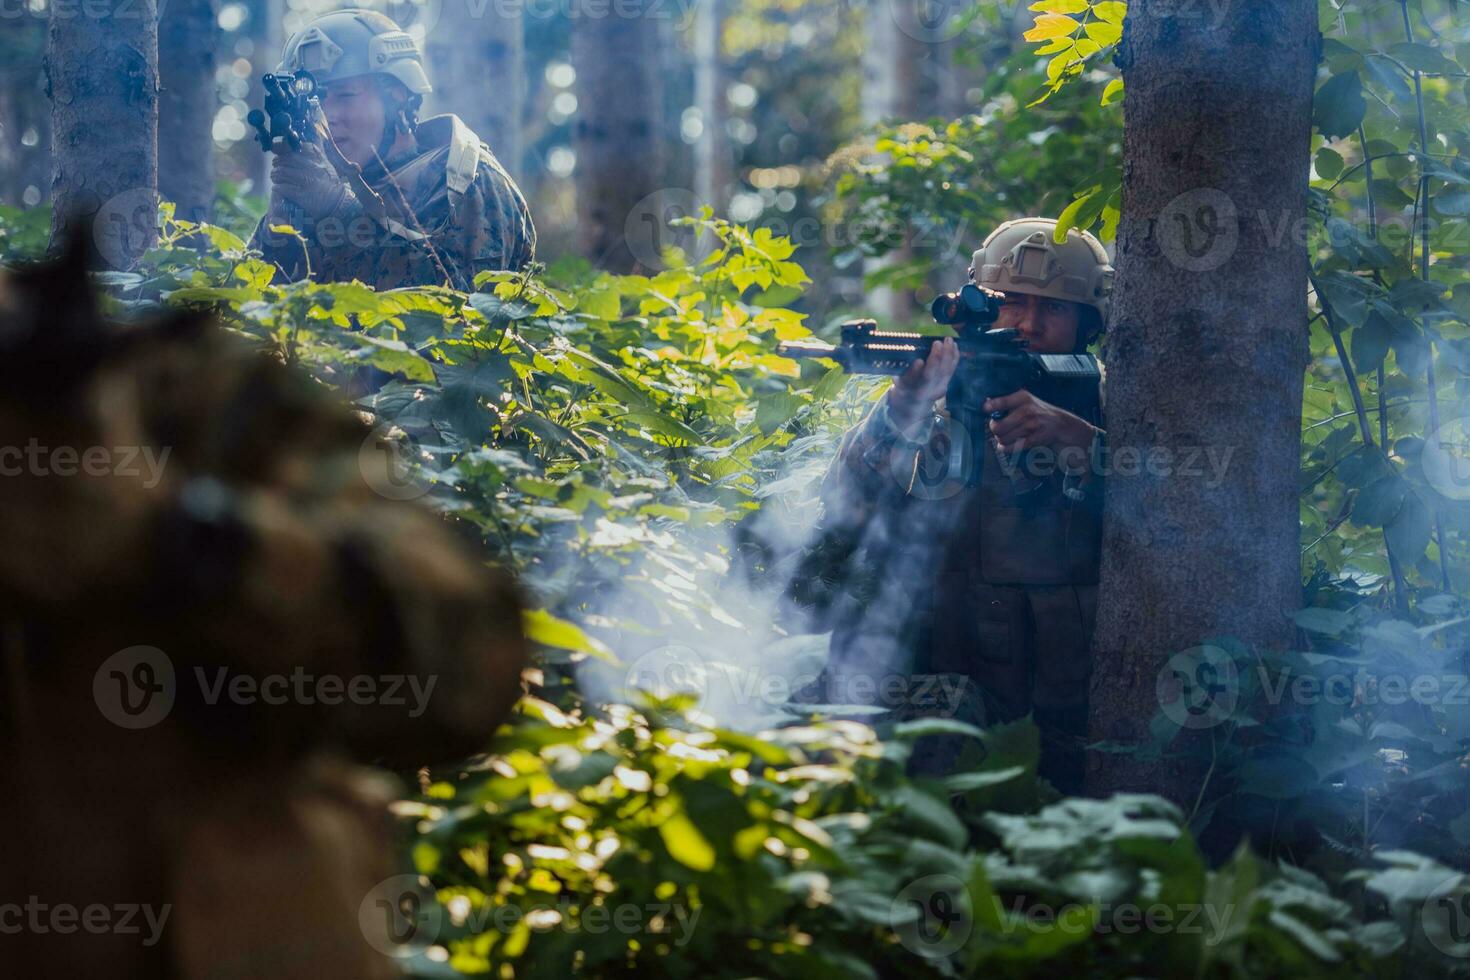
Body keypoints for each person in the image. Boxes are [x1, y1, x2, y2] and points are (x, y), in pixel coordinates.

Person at [809, 218, 1113, 793]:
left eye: (1053, 309)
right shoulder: (936, 400)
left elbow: (1176, 523)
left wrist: (1085, 447)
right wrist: (900, 413)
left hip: (1068, 714)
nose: (1027, 323)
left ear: (1087, 321)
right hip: (939, 699)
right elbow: (842, 507)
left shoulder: (1109, 405)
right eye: (1010, 303)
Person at [250, 8, 536, 291]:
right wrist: (278, 225)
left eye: (345, 96)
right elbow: (245, 309)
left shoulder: (466, 180)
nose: (327, 116)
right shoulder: (325, 186)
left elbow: (455, 312)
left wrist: (337, 210)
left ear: (397, 95)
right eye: (315, 104)